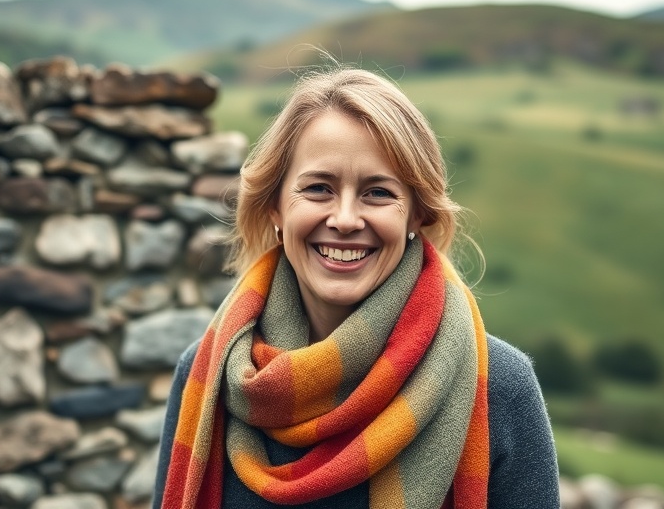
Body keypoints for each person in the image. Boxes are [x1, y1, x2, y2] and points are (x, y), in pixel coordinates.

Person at [153, 64, 560, 508]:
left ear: (417, 215)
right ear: (274, 207)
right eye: (318, 188)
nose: (345, 219)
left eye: (378, 193)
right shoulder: (207, 375)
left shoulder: (499, 387)